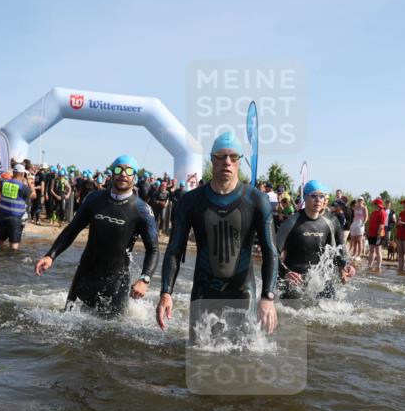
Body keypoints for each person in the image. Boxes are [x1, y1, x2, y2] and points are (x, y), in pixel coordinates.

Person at [157, 132, 278, 342]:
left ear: (240, 162)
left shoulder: (257, 200)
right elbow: (174, 250)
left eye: (233, 157)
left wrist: (268, 297)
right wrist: (166, 293)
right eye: (221, 156)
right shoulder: (190, 201)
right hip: (204, 292)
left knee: (244, 359)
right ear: (212, 160)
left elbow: (270, 251)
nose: (227, 162)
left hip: (243, 292)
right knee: (198, 359)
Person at [35, 155, 158, 318]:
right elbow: (73, 229)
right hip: (85, 274)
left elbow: (153, 249)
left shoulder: (142, 210)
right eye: (118, 169)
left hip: (117, 282)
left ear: (134, 176)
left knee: (111, 334)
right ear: (111, 173)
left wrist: (144, 279)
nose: (123, 174)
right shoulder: (94, 199)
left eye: (129, 171)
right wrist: (51, 255)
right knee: (67, 324)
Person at [275, 180, 355, 302]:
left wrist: (345, 266)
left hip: (318, 280)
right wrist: (286, 273)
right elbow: (273, 254)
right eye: (313, 196)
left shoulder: (331, 222)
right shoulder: (291, 222)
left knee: (332, 310)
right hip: (294, 280)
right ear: (305, 198)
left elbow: (339, 250)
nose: (318, 200)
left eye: (321, 196)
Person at [366, 198, 387, 273]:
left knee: (378, 251)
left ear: (377, 205)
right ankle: (369, 265)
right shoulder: (374, 212)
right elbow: (370, 222)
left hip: (379, 234)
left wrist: (379, 235)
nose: (373, 205)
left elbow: (382, 225)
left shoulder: (382, 212)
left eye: (374, 204)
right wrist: (367, 231)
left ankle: (378, 266)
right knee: (371, 250)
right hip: (371, 234)